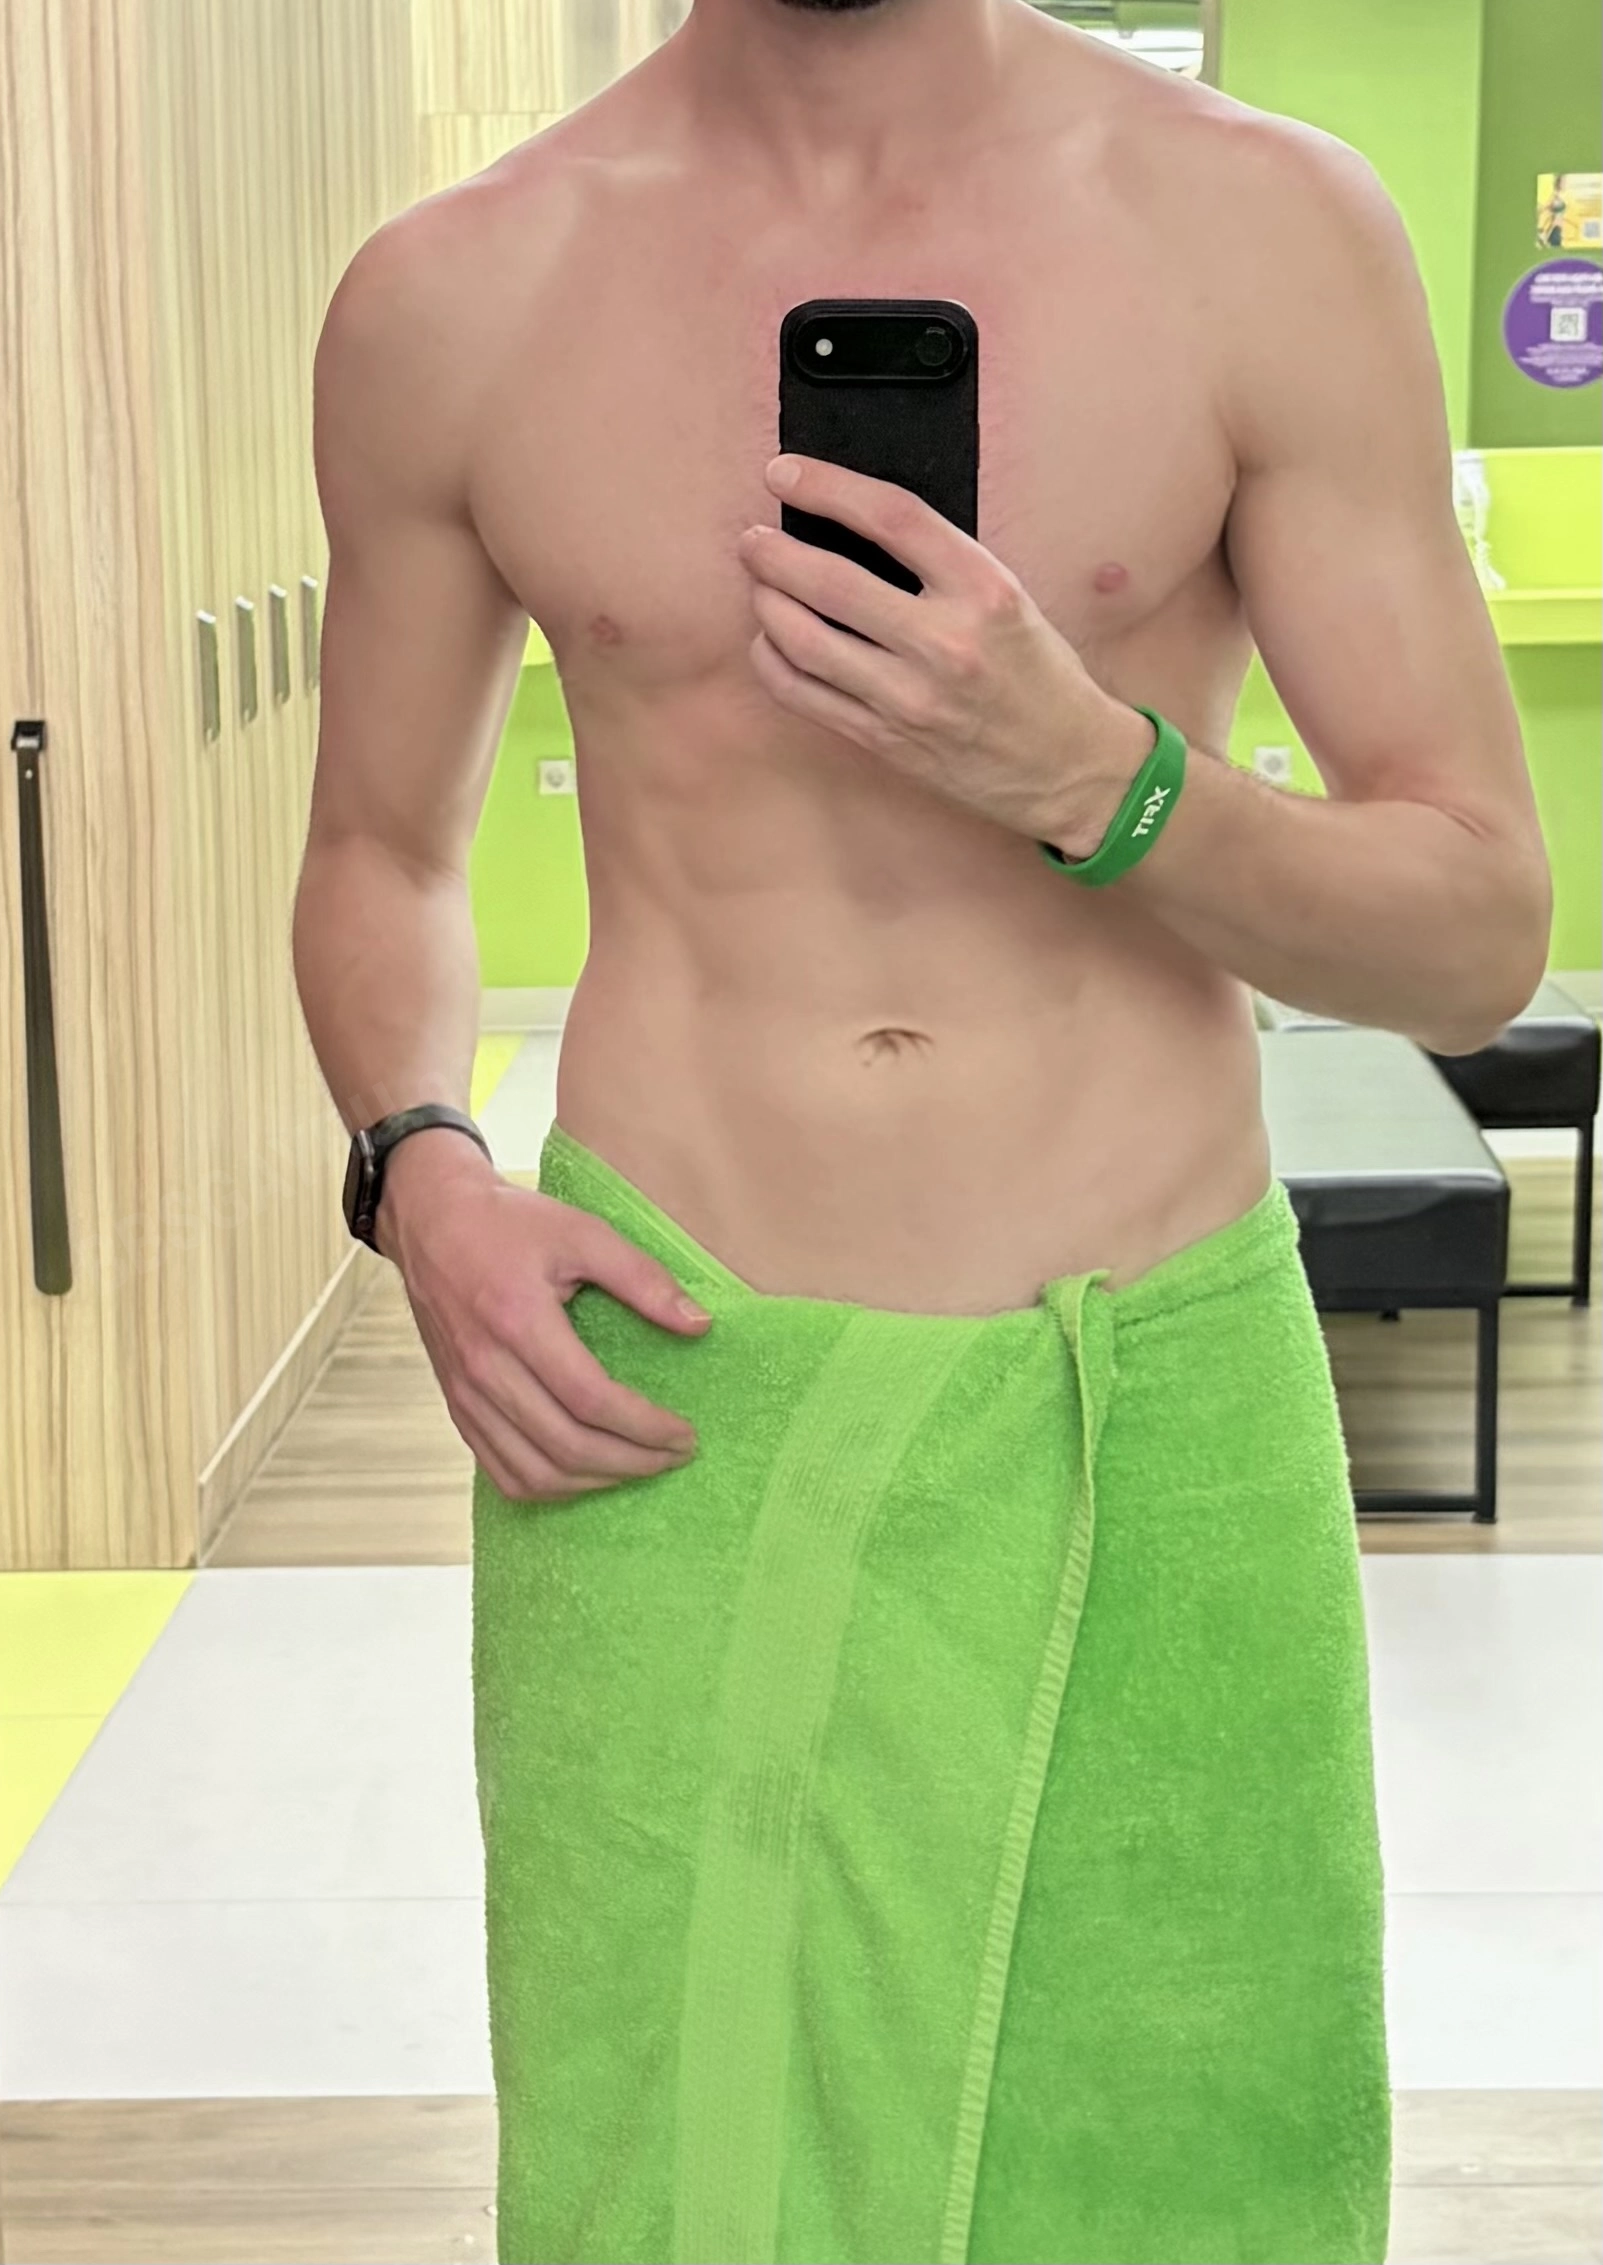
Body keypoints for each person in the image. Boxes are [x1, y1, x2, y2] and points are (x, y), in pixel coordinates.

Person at [289, 1, 1553, 2258]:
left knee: (1187, 2171)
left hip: (1140, 1396)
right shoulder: (455, 295)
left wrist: (1098, 779)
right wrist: (421, 1171)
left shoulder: (1261, 230)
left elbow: (1472, 929)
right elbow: (378, 853)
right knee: (674, 2180)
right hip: (669, 1417)